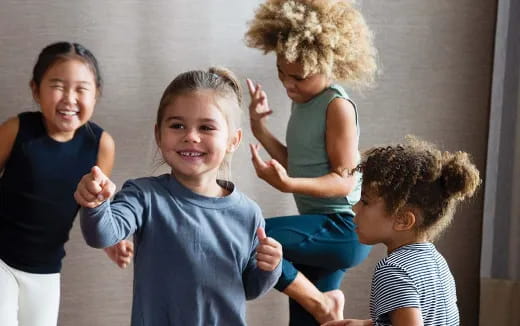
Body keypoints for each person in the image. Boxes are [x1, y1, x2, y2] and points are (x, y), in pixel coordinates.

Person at [75, 67, 283, 326]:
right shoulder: (143, 196)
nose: (191, 136)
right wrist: (96, 204)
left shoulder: (248, 213)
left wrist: (270, 268)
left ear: (233, 140)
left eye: (206, 127)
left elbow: (248, 288)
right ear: (158, 134)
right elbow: (102, 235)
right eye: (177, 125)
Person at [244, 0, 377, 324]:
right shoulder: (304, 101)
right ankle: (322, 308)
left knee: (246, 236)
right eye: (281, 74)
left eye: (299, 77)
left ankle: (321, 303)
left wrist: (289, 184)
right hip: (320, 228)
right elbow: (299, 163)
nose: (288, 85)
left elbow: (344, 180)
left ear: (329, 64)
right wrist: (259, 128)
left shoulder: (337, 106)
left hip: (343, 228)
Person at [0, 41, 131, 326]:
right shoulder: (16, 130)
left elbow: (94, 208)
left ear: (96, 94)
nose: (70, 98)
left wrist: (110, 240)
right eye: (58, 85)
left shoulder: (101, 146)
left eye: (82, 89)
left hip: (47, 271)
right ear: (36, 90)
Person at [322, 137, 481, 326]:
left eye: (365, 201)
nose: (355, 208)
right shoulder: (436, 263)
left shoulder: (394, 270)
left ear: (403, 220)